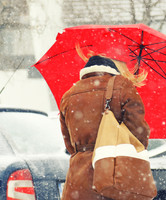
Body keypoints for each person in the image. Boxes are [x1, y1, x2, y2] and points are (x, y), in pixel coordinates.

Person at [59, 52, 150, 200]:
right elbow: (139, 135)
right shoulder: (123, 86)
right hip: (116, 175)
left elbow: (69, 143)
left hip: (78, 181)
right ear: (112, 69)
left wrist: (86, 152)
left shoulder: (68, 95)